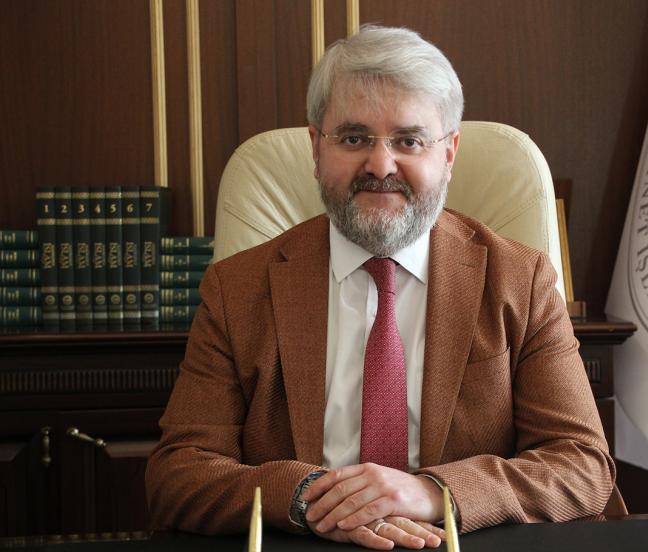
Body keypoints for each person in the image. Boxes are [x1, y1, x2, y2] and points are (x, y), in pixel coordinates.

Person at [145, 25, 619, 550]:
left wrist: (434, 493)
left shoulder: (519, 280)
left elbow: (582, 465)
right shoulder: (237, 289)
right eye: (354, 138)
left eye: (408, 140)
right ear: (315, 148)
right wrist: (309, 497)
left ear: (449, 153)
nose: (380, 165)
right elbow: (178, 474)